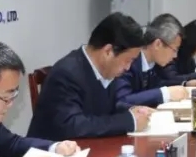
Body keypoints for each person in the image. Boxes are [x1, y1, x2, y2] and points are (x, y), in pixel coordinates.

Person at [28, 12, 153, 140]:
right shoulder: (67, 73)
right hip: (50, 151)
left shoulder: (106, 70)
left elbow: (107, 109)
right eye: (128, 60)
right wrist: (130, 121)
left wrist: (132, 111)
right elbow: (74, 126)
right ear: (108, 51)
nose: (128, 67)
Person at [113, 15, 196, 109]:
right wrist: (165, 93)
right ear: (158, 44)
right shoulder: (128, 62)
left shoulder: (153, 63)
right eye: (174, 50)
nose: (175, 56)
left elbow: (158, 85)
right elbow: (122, 100)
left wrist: (185, 84)